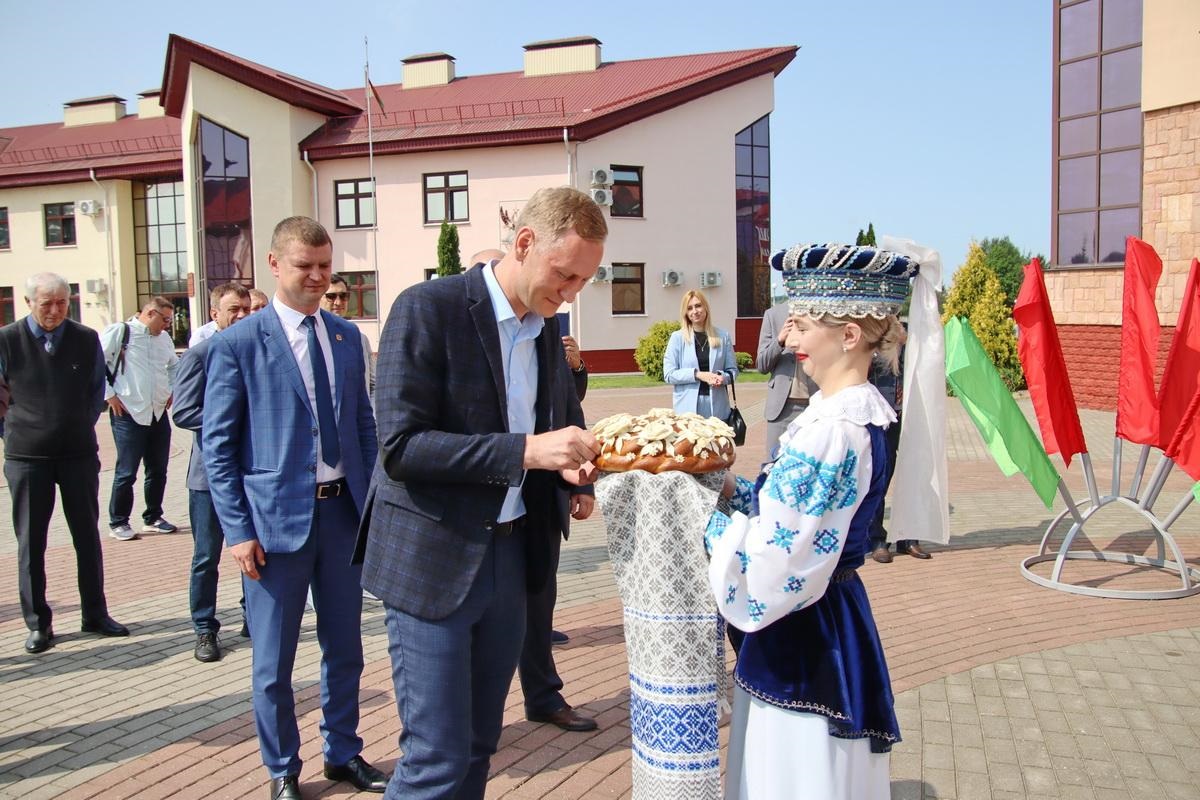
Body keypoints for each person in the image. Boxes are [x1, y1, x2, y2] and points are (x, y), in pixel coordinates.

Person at [357, 186, 605, 799]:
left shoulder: (546, 326)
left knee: (477, 747)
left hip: (513, 557)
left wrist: (570, 469)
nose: (571, 292)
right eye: (565, 274)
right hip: (434, 562)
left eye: (583, 280)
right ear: (524, 243)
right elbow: (401, 447)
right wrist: (528, 452)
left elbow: (550, 424)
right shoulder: (427, 308)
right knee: (435, 759)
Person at [705, 243, 933, 800]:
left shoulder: (832, 431)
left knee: (791, 777)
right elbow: (799, 515)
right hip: (835, 611)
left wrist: (703, 526)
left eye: (803, 327)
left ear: (849, 335)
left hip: (803, 632)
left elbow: (777, 560)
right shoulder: (857, 415)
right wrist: (727, 488)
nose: (789, 340)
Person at [203, 217, 386, 800]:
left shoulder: (346, 337)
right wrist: (238, 531)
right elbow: (218, 449)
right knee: (273, 664)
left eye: (325, 265)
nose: (317, 276)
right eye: (305, 265)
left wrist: (373, 507)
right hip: (273, 528)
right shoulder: (237, 344)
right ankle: (282, 768)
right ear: (275, 264)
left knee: (346, 649)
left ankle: (343, 752)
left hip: (341, 519)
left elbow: (363, 426)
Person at [0, 273, 129, 654]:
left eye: (62, 303)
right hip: (27, 458)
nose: (55, 311)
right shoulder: (7, 340)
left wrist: (76, 425)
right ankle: (38, 623)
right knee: (31, 542)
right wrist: (15, 434)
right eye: (46, 304)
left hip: (78, 454)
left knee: (87, 536)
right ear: (28, 303)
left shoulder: (85, 338)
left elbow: (95, 391)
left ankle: (95, 614)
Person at [516, 334, 597, 732]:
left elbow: (569, 409)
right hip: (485, 494)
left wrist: (583, 485)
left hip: (543, 491)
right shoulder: (479, 329)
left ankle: (543, 696)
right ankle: (473, 716)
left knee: (539, 601)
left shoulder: (546, 334)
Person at [171, 283, 251, 662]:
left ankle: (254, 616)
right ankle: (205, 628)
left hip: (252, 473)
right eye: (233, 309)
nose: (241, 315)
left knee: (255, 550)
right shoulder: (200, 355)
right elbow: (184, 411)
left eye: (246, 309)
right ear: (214, 314)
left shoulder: (257, 351)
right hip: (209, 478)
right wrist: (232, 418)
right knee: (207, 556)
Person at [101, 297, 180, 541]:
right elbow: (96, 363)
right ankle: (118, 521)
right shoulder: (122, 332)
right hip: (129, 413)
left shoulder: (163, 339)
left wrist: (172, 389)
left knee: (158, 469)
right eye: (165, 319)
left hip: (158, 412)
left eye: (170, 320)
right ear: (150, 314)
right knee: (127, 471)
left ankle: (153, 517)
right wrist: (109, 395)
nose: (167, 325)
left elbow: (174, 367)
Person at [867, 350, 931, 562]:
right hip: (881, 414)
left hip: (912, 411)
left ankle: (908, 537)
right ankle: (877, 539)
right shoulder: (875, 335)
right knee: (880, 477)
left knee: (914, 476)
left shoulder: (915, 337)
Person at [757, 301, 818, 460]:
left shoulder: (822, 310)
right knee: (774, 464)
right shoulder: (773, 314)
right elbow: (762, 365)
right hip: (782, 409)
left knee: (812, 463)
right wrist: (779, 341)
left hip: (815, 406)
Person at [663, 289, 737, 419]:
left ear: (705, 307)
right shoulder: (677, 338)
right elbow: (669, 374)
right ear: (686, 313)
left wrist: (722, 377)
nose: (695, 311)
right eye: (689, 308)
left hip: (717, 408)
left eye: (698, 306)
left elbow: (733, 371)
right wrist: (698, 374)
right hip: (687, 409)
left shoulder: (723, 336)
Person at [321, 273, 375, 399]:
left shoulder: (360, 338)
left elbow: (372, 384)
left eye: (343, 296)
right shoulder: (311, 338)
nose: (338, 302)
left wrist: (371, 409)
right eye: (331, 296)